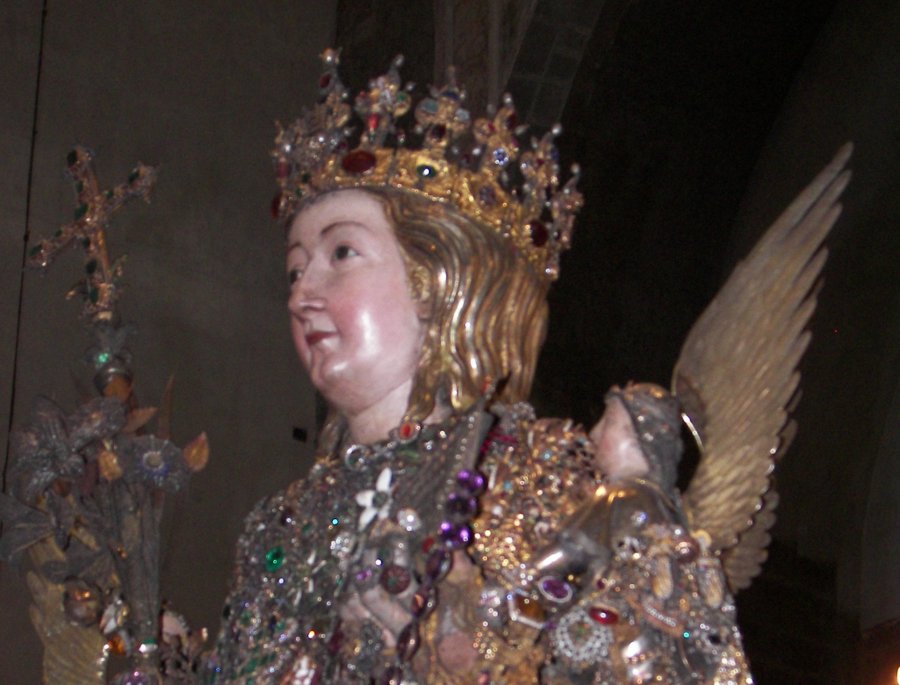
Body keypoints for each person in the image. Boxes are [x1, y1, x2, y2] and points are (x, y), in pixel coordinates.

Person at [207, 51, 602, 684]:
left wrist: (468, 667)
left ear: (439, 281)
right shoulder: (276, 527)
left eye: (341, 253)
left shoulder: (544, 484)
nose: (300, 295)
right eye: (295, 269)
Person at [526, 383, 752, 684]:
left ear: (639, 440)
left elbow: (566, 552)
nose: (594, 433)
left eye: (608, 423)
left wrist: (517, 579)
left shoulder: (619, 497)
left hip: (610, 655)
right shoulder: (670, 513)